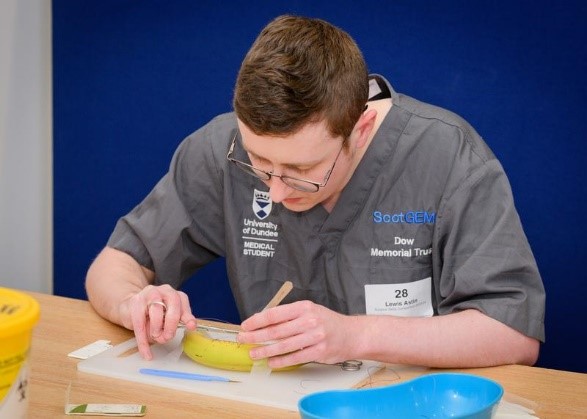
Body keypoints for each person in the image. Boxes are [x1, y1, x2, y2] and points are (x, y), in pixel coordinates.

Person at [85, 15, 545, 369]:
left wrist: (356, 337)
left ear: (361, 127)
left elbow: (513, 333)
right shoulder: (220, 149)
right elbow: (115, 264)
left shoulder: (448, 158)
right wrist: (136, 303)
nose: (277, 193)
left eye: (303, 170)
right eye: (259, 164)